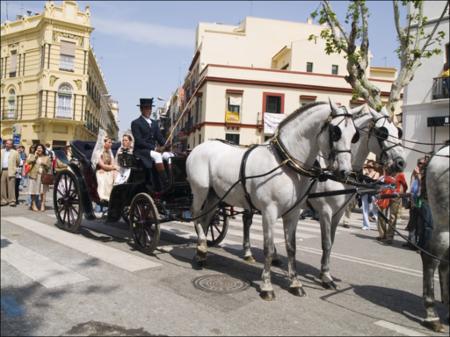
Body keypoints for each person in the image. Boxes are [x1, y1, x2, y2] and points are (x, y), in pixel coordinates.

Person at [131, 97, 173, 191]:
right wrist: (155, 148)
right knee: (157, 156)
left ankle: (172, 178)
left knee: (169, 155)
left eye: (150, 108)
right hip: (141, 151)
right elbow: (139, 141)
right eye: (146, 108)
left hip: (153, 150)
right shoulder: (136, 123)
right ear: (141, 109)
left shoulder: (154, 123)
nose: (149, 110)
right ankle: (165, 182)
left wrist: (166, 144)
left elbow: (159, 137)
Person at [92, 130, 118, 203]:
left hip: (109, 170)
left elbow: (112, 163)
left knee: (116, 175)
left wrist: (113, 169)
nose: (111, 144)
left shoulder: (110, 152)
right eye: (109, 142)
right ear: (104, 143)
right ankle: (104, 198)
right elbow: (102, 166)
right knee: (104, 177)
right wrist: (113, 167)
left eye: (111, 142)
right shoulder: (98, 153)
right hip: (100, 171)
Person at [26, 144, 51, 211]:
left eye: (40, 148)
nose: (39, 149)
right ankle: (33, 205)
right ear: (36, 149)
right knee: (33, 191)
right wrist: (35, 156)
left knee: (43, 192)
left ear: (43, 149)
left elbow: (49, 167)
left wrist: (44, 164)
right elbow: (28, 162)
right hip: (33, 175)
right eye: (38, 148)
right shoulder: (31, 155)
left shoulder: (47, 157)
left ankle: (43, 205)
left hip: (43, 176)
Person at [361, 160, 380, 230]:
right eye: (368, 166)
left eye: (370, 166)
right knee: (365, 209)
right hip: (365, 192)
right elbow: (362, 182)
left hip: (373, 193)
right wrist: (365, 173)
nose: (369, 167)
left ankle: (379, 225)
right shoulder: (365, 174)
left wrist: (367, 174)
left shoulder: (376, 173)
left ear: (373, 166)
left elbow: (373, 180)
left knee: (374, 210)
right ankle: (366, 225)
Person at [0, 139, 20, 206]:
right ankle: (3, 200)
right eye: (7, 143)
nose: (8, 145)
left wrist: (14, 169)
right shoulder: (1, 151)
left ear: (12, 145)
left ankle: (12, 201)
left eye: (10, 144)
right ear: (5, 144)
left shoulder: (15, 152)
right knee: (2, 186)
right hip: (2, 170)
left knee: (11, 186)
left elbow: (18, 162)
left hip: (11, 170)